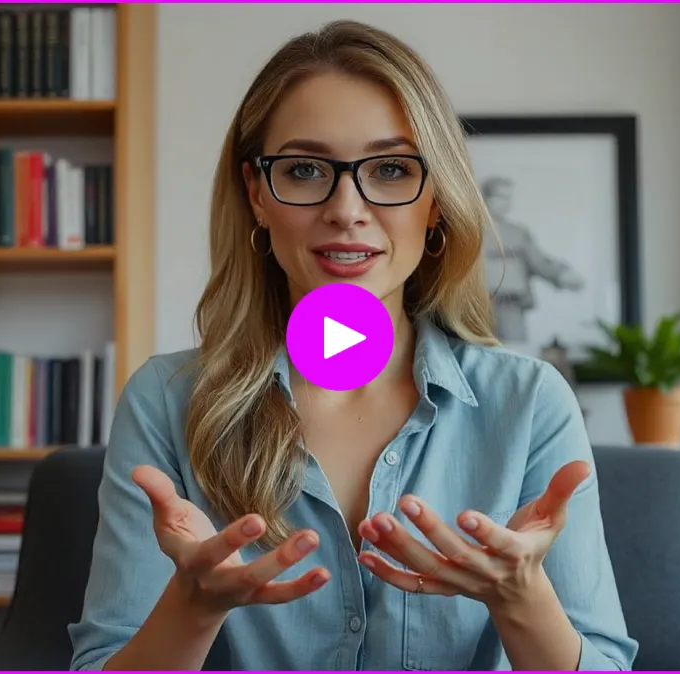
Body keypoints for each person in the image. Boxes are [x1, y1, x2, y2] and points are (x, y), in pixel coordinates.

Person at [67, 19, 638, 672]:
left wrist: (520, 599)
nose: (346, 208)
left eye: (391, 169)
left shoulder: (530, 402)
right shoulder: (166, 401)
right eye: (304, 169)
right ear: (256, 194)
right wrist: (191, 608)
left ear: (436, 201)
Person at [480, 176, 586, 343]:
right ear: (485, 197)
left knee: (515, 351)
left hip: (512, 306)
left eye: (509, 197)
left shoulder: (518, 233)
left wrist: (562, 275)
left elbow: (538, 261)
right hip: (476, 305)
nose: (507, 203)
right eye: (501, 197)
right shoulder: (468, 230)